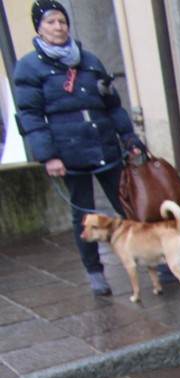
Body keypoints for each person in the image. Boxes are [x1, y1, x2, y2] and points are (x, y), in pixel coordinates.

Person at [13, 0, 143, 296]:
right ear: (39, 28)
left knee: (128, 204)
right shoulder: (29, 67)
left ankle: (150, 256)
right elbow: (32, 116)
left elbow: (113, 105)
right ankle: (95, 271)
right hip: (68, 152)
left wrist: (129, 137)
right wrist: (48, 155)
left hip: (104, 145)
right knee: (82, 213)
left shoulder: (89, 60)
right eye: (50, 22)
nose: (58, 27)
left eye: (62, 21)